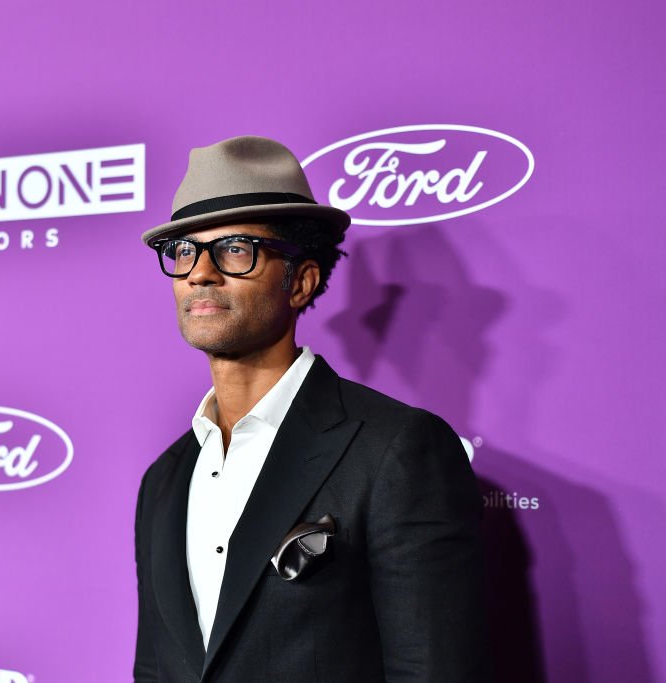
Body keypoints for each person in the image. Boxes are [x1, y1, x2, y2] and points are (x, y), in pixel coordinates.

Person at [133, 136, 490, 682]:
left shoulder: (398, 450)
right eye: (184, 252)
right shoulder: (163, 478)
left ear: (301, 282)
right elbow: (157, 668)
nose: (200, 272)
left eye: (234, 248)